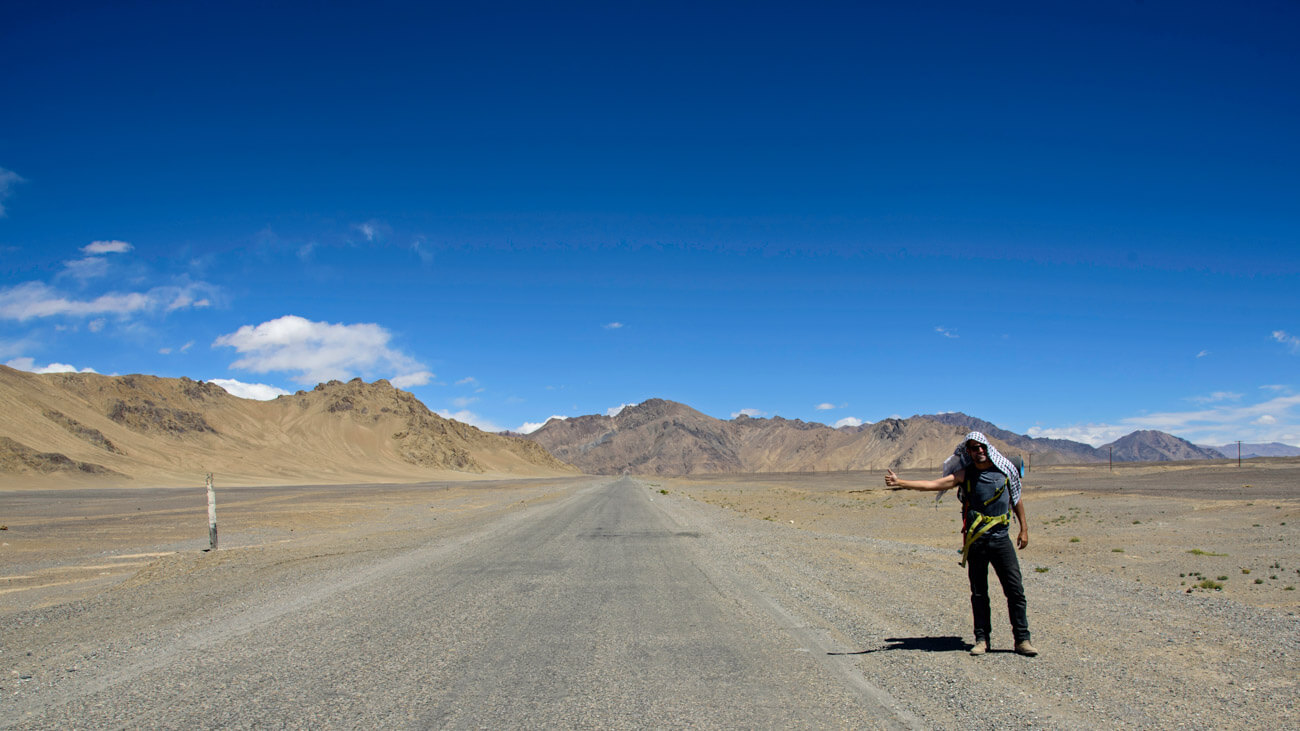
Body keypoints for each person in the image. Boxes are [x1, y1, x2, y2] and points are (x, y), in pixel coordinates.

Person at [884, 431, 1038, 657]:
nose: (980, 451)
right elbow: (935, 484)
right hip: (976, 541)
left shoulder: (1004, 471)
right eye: (974, 448)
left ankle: (1022, 640)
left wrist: (1024, 529)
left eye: (982, 447)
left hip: (1001, 540)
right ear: (969, 452)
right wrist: (901, 482)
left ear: (988, 447)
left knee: (1015, 590)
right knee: (979, 593)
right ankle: (982, 639)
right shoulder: (966, 474)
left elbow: (1017, 500)